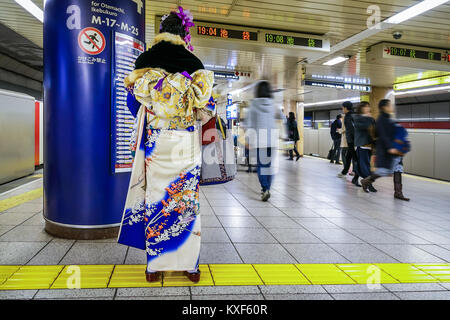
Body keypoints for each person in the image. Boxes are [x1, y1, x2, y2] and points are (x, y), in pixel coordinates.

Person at [117, 7, 214, 284]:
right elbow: (204, 110)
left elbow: (133, 103)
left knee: (156, 199)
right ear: (184, 34)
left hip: (156, 142)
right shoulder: (195, 62)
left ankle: (155, 266)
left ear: (160, 33)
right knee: (185, 201)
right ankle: (189, 266)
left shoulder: (145, 60)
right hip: (185, 142)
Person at [243, 80, 283, 202]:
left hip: (259, 140)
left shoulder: (253, 105)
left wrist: (248, 140)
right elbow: (282, 118)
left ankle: (265, 188)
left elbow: (248, 124)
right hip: (272, 140)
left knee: (261, 165)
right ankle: (267, 188)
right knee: (270, 166)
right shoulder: (274, 105)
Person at [361, 99, 400, 192]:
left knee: (395, 168)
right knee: (384, 171)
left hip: (390, 148)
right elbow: (383, 135)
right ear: (384, 107)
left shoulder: (388, 118)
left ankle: (398, 192)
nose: (391, 107)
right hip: (384, 149)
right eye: (389, 105)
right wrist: (390, 147)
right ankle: (366, 181)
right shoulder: (381, 119)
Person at [354, 102, 377, 192]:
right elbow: (363, 127)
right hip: (362, 145)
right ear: (361, 108)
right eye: (365, 106)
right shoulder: (357, 118)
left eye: (368, 106)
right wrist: (368, 118)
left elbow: (375, 128)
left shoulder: (370, 118)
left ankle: (361, 180)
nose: (367, 108)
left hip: (370, 145)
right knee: (365, 166)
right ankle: (368, 183)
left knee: (368, 166)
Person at [337, 101, 360, 186]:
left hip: (351, 140)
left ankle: (356, 177)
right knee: (349, 156)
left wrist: (353, 140)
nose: (342, 109)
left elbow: (350, 129)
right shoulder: (355, 115)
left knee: (355, 158)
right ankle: (344, 172)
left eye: (343, 108)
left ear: (346, 108)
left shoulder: (347, 116)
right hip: (355, 139)